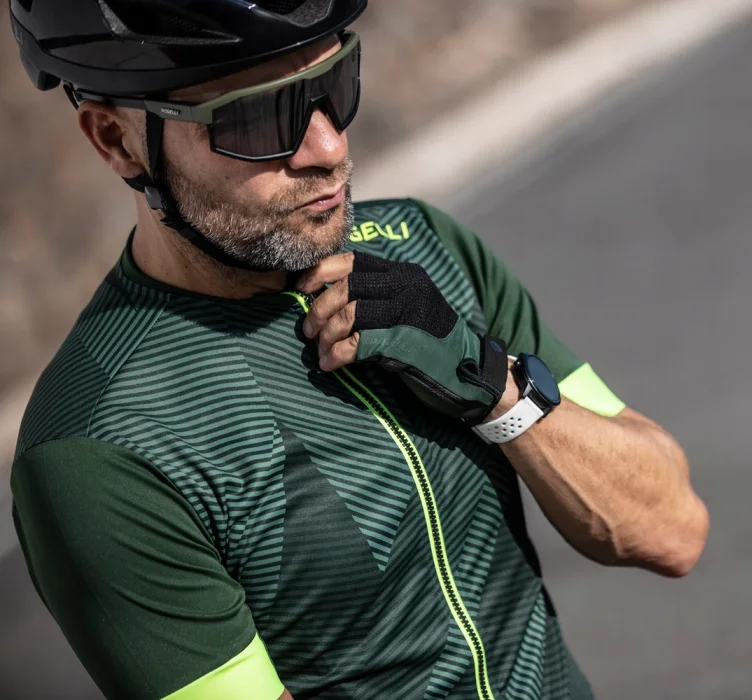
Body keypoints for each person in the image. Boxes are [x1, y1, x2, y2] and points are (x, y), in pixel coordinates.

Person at [8, 0, 710, 698]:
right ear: (118, 141)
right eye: (257, 118)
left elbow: (670, 528)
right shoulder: (98, 448)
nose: (328, 148)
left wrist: (490, 382)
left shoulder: (427, 245)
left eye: (334, 85)